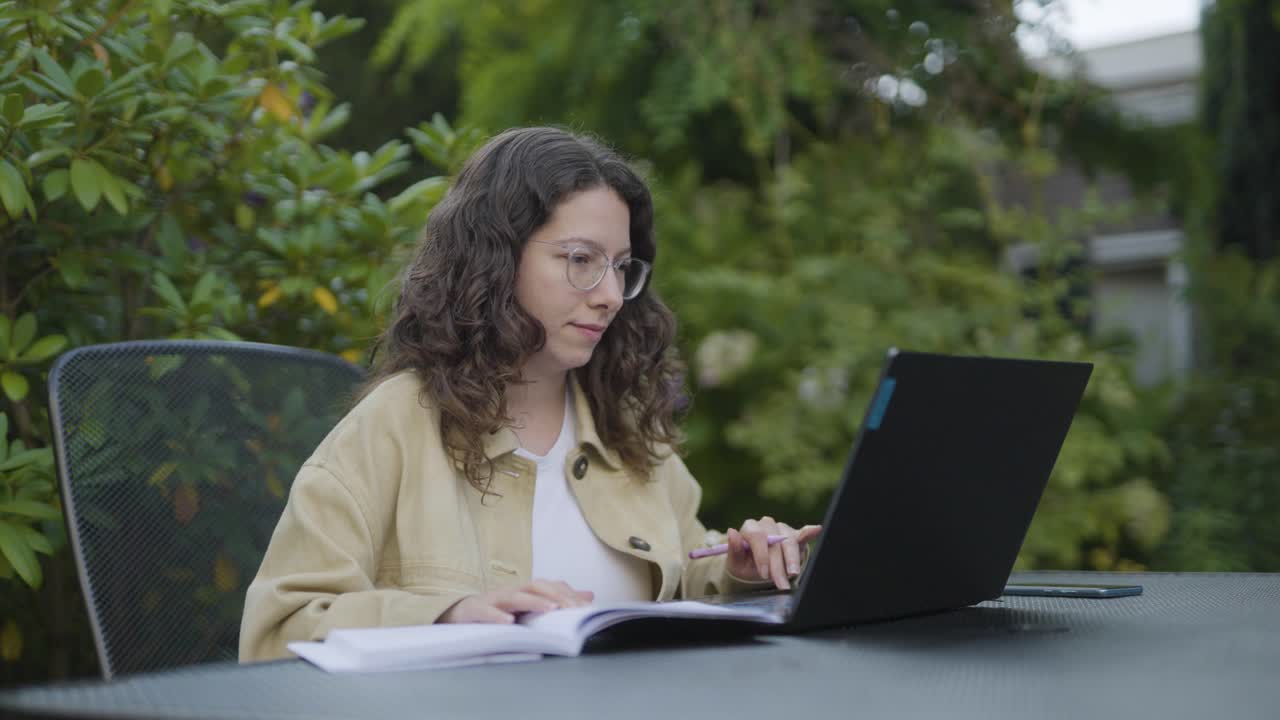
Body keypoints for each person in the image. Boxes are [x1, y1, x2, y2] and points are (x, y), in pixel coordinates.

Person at [239, 127, 820, 662]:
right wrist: (448, 617)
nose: (611, 295)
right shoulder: (396, 422)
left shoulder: (626, 427)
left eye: (620, 267)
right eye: (580, 260)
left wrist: (740, 567)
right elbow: (279, 627)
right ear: (497, 257)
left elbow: (689, 567)